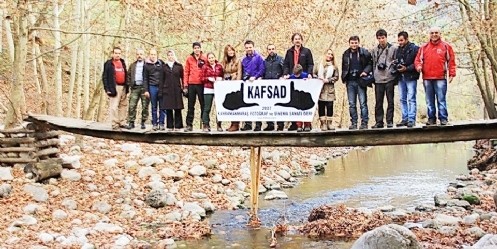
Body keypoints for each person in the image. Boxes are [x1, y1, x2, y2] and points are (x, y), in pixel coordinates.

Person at [414, 26, 456, 126]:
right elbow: (417, 60)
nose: (434, 35)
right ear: (429, 35)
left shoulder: (446, 46)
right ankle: (431, 119)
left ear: (440, 34)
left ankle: (443, 118)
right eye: (432, 33)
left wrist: (452, 74)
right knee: (429, 100)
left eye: (436, 33)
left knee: (441, 99)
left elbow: (451, 61)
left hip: (440, 77)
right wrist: (419, 67)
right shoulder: (424, 47)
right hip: (427, 78)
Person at [283, 33, 314, 131]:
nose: (297, 40)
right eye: (295, 39)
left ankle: (307, 124)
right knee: (296, 102)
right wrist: (286, 74)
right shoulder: (289, 52)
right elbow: (286, 65)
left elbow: (310, 64)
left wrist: (309, 74)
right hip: (293, 78)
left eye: (299, 39)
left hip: (304, 78)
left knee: (305, 101)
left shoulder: (307, 51)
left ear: (301, 40)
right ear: (292, 41)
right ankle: (298, 124)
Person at [341, 36, 373, 130]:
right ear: (349, 43)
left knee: (363, 103)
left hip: (361, 81)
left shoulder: (364, 52)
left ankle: (364, 123)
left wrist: (365, 72)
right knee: (352, 104)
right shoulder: (346, 54)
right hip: (350, 81)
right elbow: (344, 67)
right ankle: (354, 123)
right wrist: (344, 78)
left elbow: (370, 64)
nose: (354, 45)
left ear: (358, 43)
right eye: (352, 43)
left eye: (355, 43)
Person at [371, 29, 398, 129]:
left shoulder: (393, 49)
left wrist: (394, 75)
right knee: (378, 102)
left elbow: (396, 62)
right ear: (377, 39)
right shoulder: (374, 50)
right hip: (378, 79)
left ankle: (389, 121)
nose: (381, 40)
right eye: (379, 38)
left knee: (390, 101)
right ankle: (379, 122)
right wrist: (373, 75)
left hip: (389, 78)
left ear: (386, 37)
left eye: (383, 38)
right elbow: (373, 63)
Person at [395, 31, 420, 128]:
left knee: (411, 98)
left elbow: (417, 63)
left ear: (406, 39)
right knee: (402, 99)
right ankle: (404, 118)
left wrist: (407, 68)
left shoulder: (415, 49)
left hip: (411, 77)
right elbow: (397, 61)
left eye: (401, 40)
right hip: (401, 77)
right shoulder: (398, 50)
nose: (400, 42)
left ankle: (411, 119)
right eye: (398, 41)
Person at [240, 40, 265, 131]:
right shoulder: (243, 59)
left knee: (258, 104)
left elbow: (262, 69)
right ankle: (248, 124)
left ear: (253, 47)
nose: (248, 49)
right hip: (247, 84)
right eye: (247, 48)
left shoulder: (259, 57)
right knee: (247, 103)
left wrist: (256, 77)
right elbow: (242, 71)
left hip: (257, 83)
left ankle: (258, 124)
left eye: (250, 47)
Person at [102, 47, 128, 130]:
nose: (117, 55)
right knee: (114, 106)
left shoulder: (122, 62)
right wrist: (107, 89)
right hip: (114, 87)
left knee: (123, 105)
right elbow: (105, 76)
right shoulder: (109, 63)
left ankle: (122, 122)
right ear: (112, 54)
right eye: (116, 53)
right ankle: (114, 123)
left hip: (123, 86)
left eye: (119, 53)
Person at [184, 42, 207, 131]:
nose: (197, 49)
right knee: (190, 105)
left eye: (198, 48)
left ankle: (205, 124)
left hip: (201, 84)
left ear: (200, 48)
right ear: (193, 49)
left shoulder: (205, 58)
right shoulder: (189, 59)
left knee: (203, 105)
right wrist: (185, 85)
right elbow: (186, 72)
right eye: (195, 48)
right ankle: (189, 125)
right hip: (191, 84)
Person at [160, 50, 185, 131]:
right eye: (169, 55)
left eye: (172, 55)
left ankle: (178, 126)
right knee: (168, 108)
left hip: (177, 89)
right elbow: (161, 80)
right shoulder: (164, 67)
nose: (170, 57)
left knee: (177, 108)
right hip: (167, 90)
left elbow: (183, 78)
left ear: (174, 56)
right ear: (167, 57)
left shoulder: (179, 66)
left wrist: (184, 87)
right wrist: (161, 91)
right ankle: (170, 126)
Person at [125, 48, 149, 130]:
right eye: (138, 54)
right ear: (136, 55)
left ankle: (143, 122)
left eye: (141, 54)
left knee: (145, 106)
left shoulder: (147, 65)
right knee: (132, 105)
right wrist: (129, 84)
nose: (139, 56)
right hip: (135, 87)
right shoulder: (132, 65)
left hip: (144, 88)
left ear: (144, 55)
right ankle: (131, 122)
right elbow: (128, 76)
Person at [221, 45, 243, 132]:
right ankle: (232, 123)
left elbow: (239, 72)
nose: (230, 52)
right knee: (229, 104)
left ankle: (236, 124)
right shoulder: (224, 62)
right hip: (227, 84)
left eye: (232, 50)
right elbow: (222, 73)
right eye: (229, 50)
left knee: (236, 104)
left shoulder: (238, 61)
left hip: (235, 84)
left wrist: (237, 83)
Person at [263, 44, 285, 131]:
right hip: (268, 87)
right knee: (268, 105)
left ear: (275, 49)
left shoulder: (280, 59)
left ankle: (280, 124)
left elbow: (285, 70)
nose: (271, 50)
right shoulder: (265, 61)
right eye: (269, 49)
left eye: (273, 49)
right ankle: (270, 124)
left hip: (278, 87)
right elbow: (263, 72)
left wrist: (282, 76)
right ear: (267, 51)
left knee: (279, 105)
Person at [317, 49, 339, 131]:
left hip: (329, 89)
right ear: (325, 54)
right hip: (320, 89)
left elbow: (336, 77)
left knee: (330, 106)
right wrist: (318, 78)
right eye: (328, 54)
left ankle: (330, 123)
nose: (329, 55)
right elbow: (314, 74)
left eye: (331, 54)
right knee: (321, 106)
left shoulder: (334, 67)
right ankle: (323, 124)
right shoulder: (319, 65)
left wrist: (329, 80)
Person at [143, 48, 166, 130]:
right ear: (149, 55)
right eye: (151, 54)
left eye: (154, 54)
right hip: (152, 87)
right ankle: (155, 124)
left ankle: (162, 123)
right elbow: (145, 78)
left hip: (161, 87)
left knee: (163, 106)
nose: (153, 56)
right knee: (154, 106)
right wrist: (146, 90)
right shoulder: (146, 65)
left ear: (157, 55)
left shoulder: (161, 63)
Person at [201, 52, 224, 132]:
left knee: (219, 107)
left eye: (212, 57)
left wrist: (220, 79)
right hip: (208, 89)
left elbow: (222, 76)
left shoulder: (219, 66)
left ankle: (219, 124)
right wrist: (209, 79)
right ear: (207, 59)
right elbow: (202, 79)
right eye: (209, 58)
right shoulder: (205, 67)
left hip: (218, 89)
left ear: (215, 57)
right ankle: (206, 124)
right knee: (207, 108)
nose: (211, 59)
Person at [289, 64, 311, 132]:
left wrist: (308, 79)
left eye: (297, 75)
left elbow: (311, 81)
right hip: (297, 98)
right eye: (295, 75)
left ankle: (307, 125)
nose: (296, 76)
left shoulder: (305, 75)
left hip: (305, 96)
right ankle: (299, 125)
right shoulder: (292, 76)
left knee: (306, 110)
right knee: (298, 111)